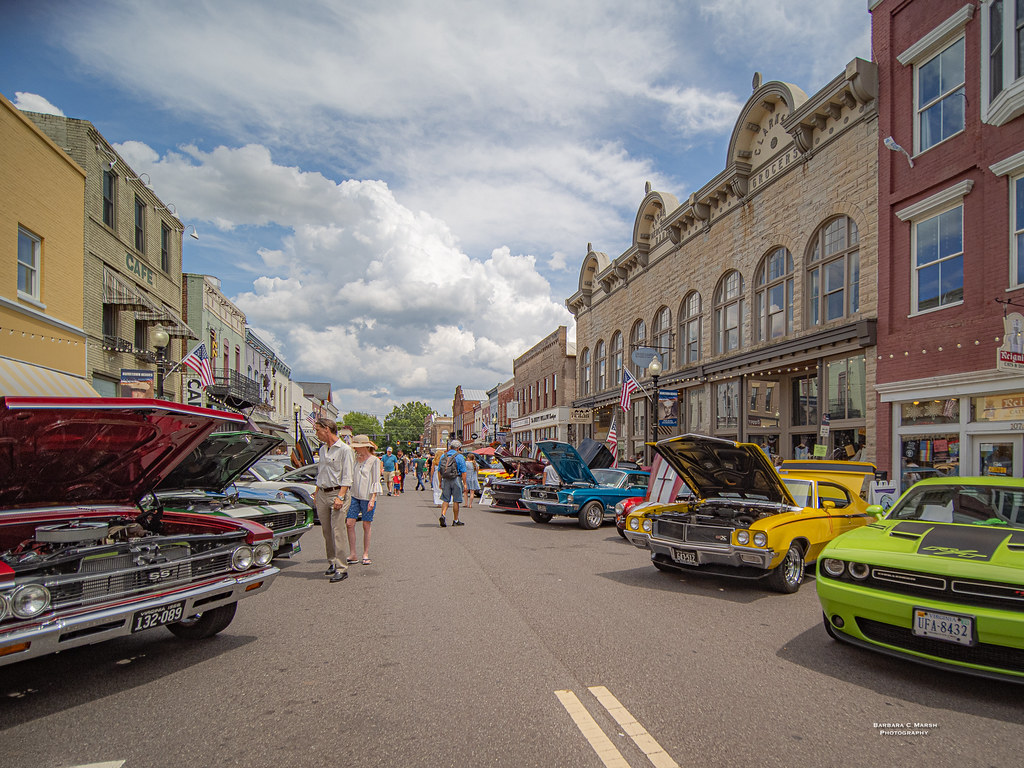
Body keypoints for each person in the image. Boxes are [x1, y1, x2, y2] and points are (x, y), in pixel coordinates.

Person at [313, 416, 355, 584]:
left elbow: (348, 476)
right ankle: (331, 561)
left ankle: (341, 567)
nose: (316, 433)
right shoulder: (323, 450)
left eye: (318, 430)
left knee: (338, 531)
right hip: (323, 493)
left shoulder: (344, 450)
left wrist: (340, 496)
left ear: (327, 429)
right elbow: (321, 472)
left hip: (337, 493)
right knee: (327, 531)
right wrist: (317, 491)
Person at [347, 434, 383, 565]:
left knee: (366, 524)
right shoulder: (355, 459)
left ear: (364, 447)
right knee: (349, 523)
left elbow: (375, 480)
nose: (355, 449)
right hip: (354, 495)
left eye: (357, 447)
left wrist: (373, 498)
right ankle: (353, 553)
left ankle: (365, 553)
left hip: (367, 496)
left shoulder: (374, 460)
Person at [437, 440, 469, 527]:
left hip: (446, 479)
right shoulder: (459, 457)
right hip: (456, 479)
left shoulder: (444, 456)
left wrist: (440, 482)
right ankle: (455, 520)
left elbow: (439, 470)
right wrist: (465, 483)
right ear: (458, 448)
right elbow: (463, 472)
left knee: (445, 499)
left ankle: (443, 515)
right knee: (456, 500)